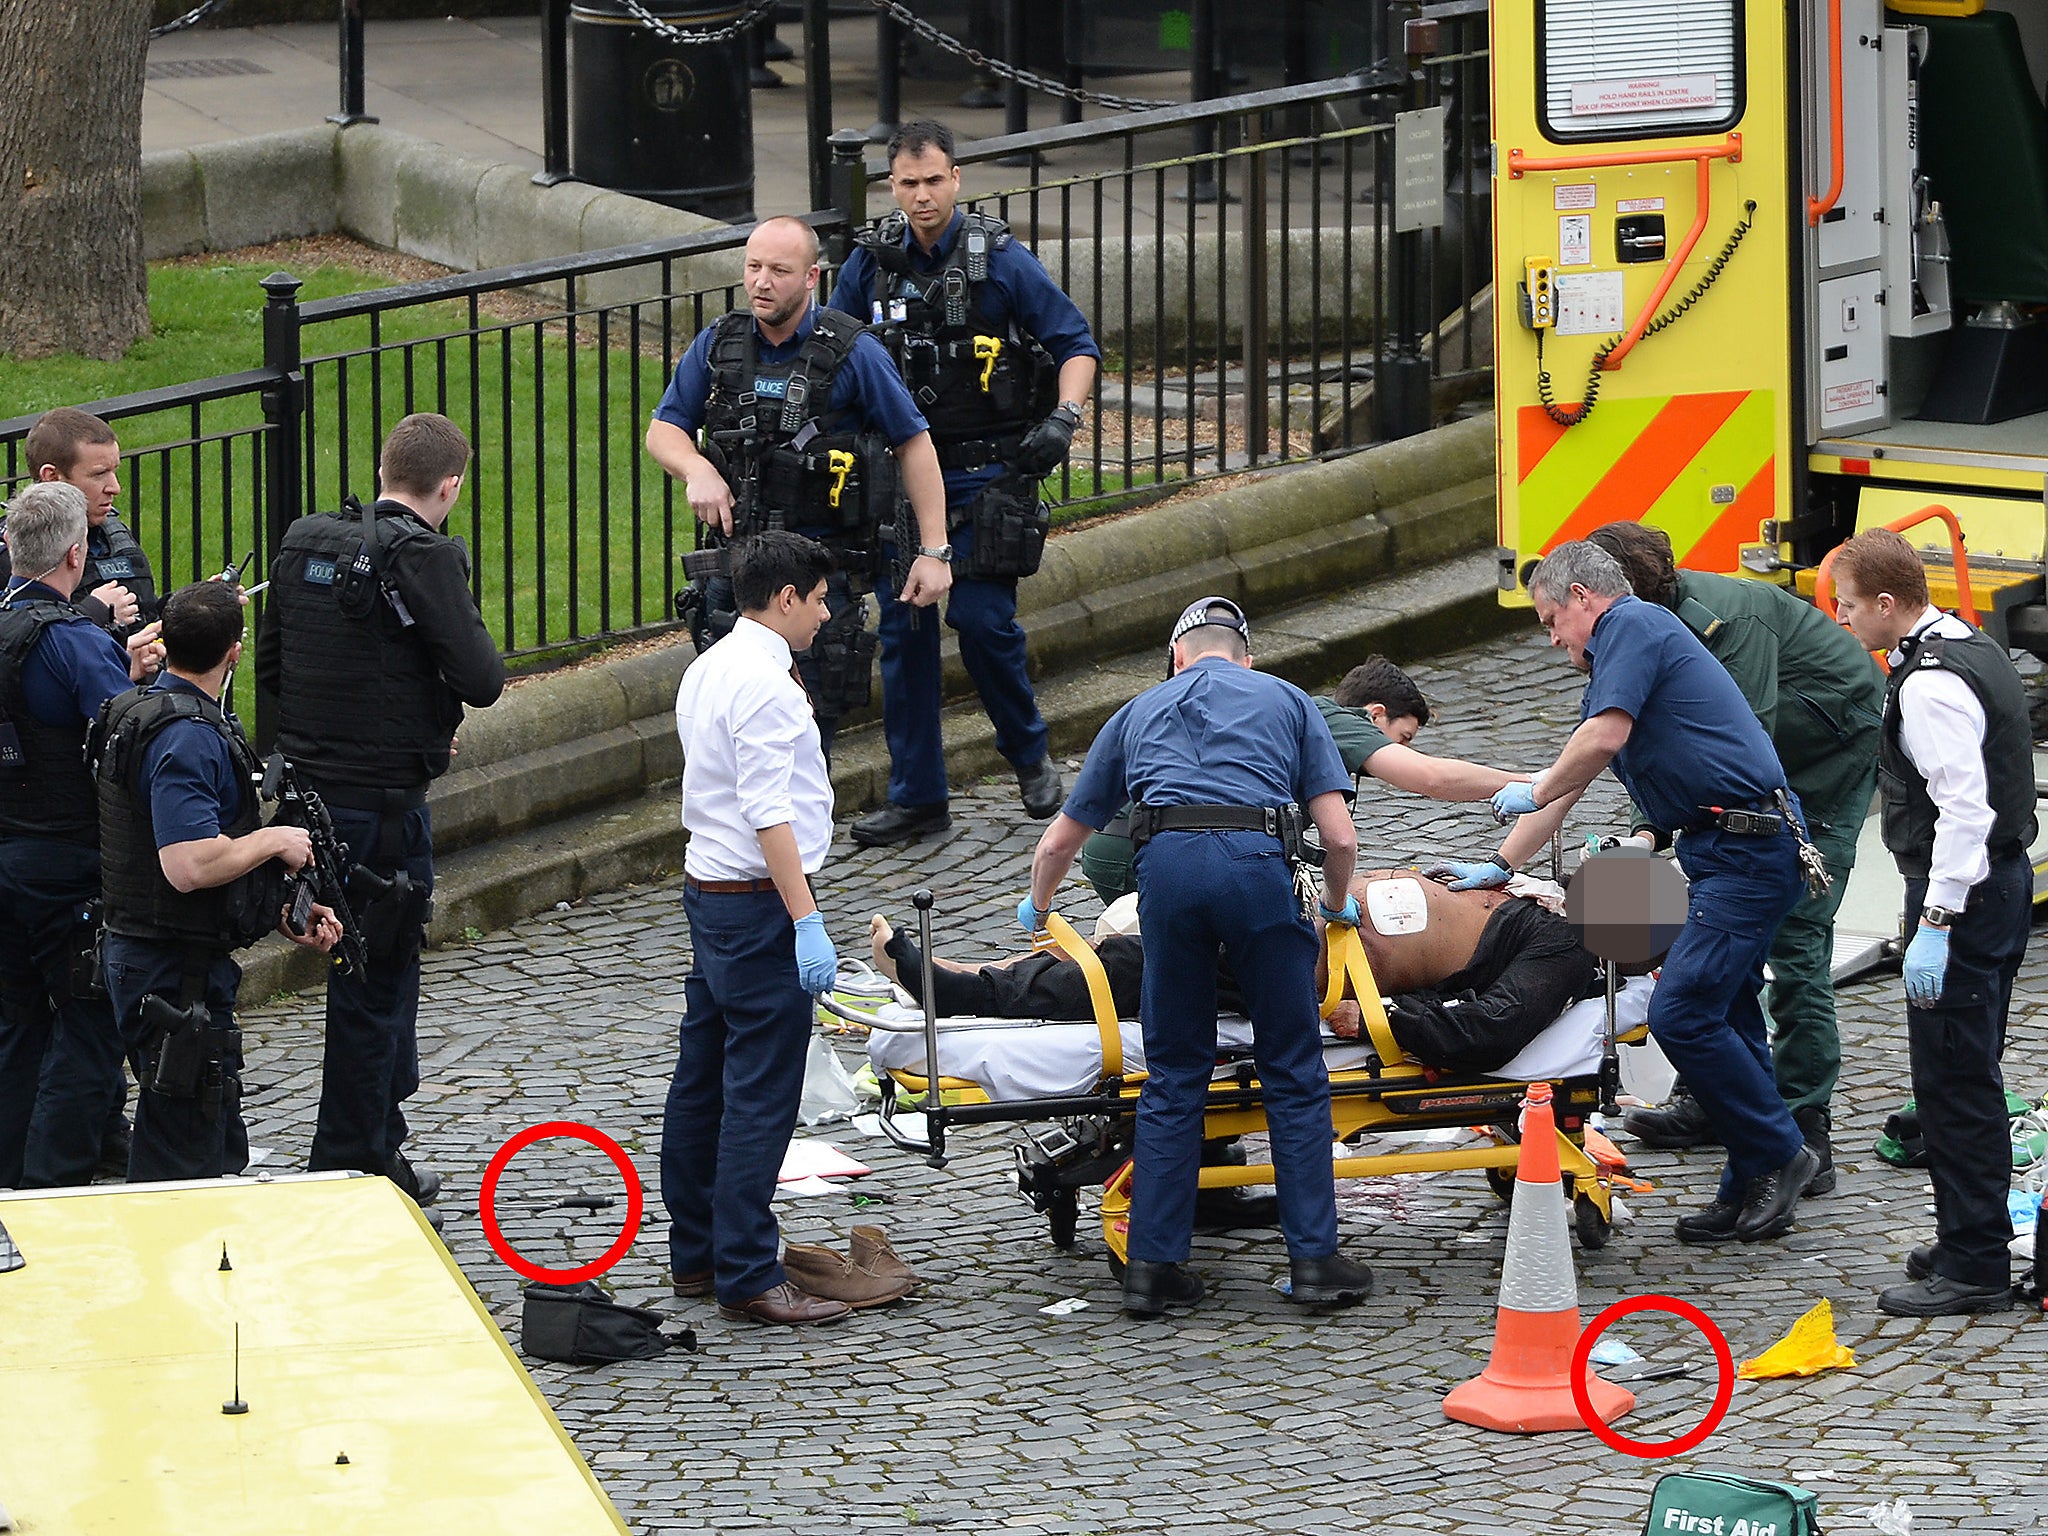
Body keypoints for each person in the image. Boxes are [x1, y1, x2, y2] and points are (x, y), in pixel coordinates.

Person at [1020, 596, 1378, 1317]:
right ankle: (1314, 1263)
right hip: (1257, 867)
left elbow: (1061, 840)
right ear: (1245, 656)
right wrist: (1336, 908)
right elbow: (1339, 839)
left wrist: (1038, 907)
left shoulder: (1138, 711)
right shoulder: (1288, 702)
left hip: (1170, 874)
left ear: (1177, 657)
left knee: (1176, 1069)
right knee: (1291, 1066)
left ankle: (1153, 1267)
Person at [1481, 541, 1821, 1244]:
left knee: (1684, 1010)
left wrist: (1537, 787)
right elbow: (1574, 775)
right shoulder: (1621, 653)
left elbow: (1599, 741)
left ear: (1583, 597)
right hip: (1728, 849)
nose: (1551, 638)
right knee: (1729, 1017)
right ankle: (1747, 1184)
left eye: (1551, 619)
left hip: (1748, 850)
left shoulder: (1630, 626)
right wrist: (1497, 865)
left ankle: (1783, 1155)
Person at [254, 412, 505, 1209]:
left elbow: (271, 664)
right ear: (450, 486)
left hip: (308, 792)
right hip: (383, 808)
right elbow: (481, 676)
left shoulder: (304, 541)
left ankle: (375, 1143)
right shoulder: (423, 555)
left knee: (367, 972)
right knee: (375, 979)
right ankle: (352, 1162)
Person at [1588, 520, 1883, 1191]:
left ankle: (1806, 1125)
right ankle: (1723, 1100)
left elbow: (1730, 751)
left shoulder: (1728, 625)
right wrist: (1645, 834)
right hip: (1757, 768)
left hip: (1827, 750)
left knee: (1796, 934)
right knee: (1727, 928)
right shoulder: (1641, 628)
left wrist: (1661, 828)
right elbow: (1652, 739)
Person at [831, 119, 1102, 847]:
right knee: (904, 633)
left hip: (984, 474)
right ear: (892, 186)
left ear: (957, 179)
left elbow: (1076, 344)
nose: (922, 197)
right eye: (908, 184)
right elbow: (831, 356)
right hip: (898, 479)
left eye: (934, 181)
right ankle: (919, 797)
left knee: (982, 623)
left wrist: (1064, 418)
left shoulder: (1002, 262)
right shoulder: (870, 266)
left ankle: (1028, 752)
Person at [644, 216, 952, 754]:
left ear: (811, 278)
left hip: (816, 577)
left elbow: (914, 444)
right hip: (735, 571)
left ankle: (799, 839)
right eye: (754, 267)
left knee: (803, 740)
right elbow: (664, 429)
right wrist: (698, 470)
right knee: (726, 731)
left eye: (779, 271)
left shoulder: (854, 351)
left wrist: (934, 551)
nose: (762, 281)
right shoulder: (720, 343)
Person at [1832, 528, 2032, 1316]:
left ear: (1888, 604)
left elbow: (1964, 809)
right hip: (1999, 883)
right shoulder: (1964, 640)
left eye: (1849, 607)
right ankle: (1964, 1236)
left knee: (1954, 1081)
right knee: (1963, 1069)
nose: (1842, 620)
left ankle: (1976, 1263)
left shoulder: (1927, 685)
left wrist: (1938, 920)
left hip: (1966, 895)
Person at [870, 869, 1603, 1076]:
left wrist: (1386, 1023)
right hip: (1302, 922)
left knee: (1133, 962)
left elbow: (1494, 1026)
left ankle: (961, 986)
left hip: (1315, 966)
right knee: (1133, 945)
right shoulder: (1539, 899)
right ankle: (969, 976)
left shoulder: (1566, 945)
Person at [90, 582, 341, 1181]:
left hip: (162, 955)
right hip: (170, 969)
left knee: (212, 1139)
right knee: (180, 1159)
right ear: (235, 650)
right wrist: (276, 841)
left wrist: (280, 908)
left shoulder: (133, 707)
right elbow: (188, 865)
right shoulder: (186, 736)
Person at [662, 531, 851, 1327]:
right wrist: (805, 917)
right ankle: (746, 1270)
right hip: (756, 904)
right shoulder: (768, 688)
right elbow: (769, 811)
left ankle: (698, 1253)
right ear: (786, 599)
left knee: (702, 1075)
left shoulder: (709, 667)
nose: (826, 611)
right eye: (817, 598)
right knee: (760, 1093)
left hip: (710, 891)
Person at [0, 485, 163, 1188]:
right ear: (76, 554)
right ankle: (52, 1188)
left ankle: (10, 1180)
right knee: (90, 1030)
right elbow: (127, 744)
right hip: (71, 865)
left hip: (5, 856)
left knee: (15, 1029)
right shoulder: (69, 640)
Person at [1078, 654, 1524, 904]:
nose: (1400, 750)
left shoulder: (1298, 714)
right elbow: (1431, 778)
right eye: (1402, 737)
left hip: (1131, 840)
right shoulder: (1335, 721)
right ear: (1374, 716)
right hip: (1147, 847)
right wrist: (1530, 780)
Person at [0, 408, 154, 636]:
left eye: (114, 471)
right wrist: (93, 613)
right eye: (98, 474)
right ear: (51, 477)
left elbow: (148, 615)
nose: (115, 487)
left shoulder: (113, 532)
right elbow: (13, 645)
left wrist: (191, 606)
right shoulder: (15, 552)